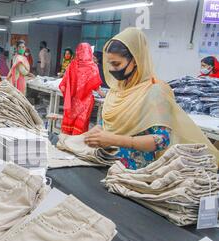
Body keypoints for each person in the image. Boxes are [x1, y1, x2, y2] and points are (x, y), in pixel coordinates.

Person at [84, 27, 219, 170]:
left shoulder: (155, 92)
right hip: (109, 161)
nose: (111, 69)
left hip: (140, 170)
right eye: (109, 64)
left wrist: (116, 140)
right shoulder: (116, 90)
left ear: (135, 60)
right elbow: (107, 124)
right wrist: (96, 131)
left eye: (116, 64)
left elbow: (162, 140)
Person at [59, 43, 104, 136]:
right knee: (80, 125)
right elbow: (96, 87)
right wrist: (104, 95)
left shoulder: (72, 64)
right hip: (85, 102)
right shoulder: (92, 67)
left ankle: (66, 142)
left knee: (70, 122)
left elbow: (63, 85)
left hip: (72, 100)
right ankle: (76, 143)